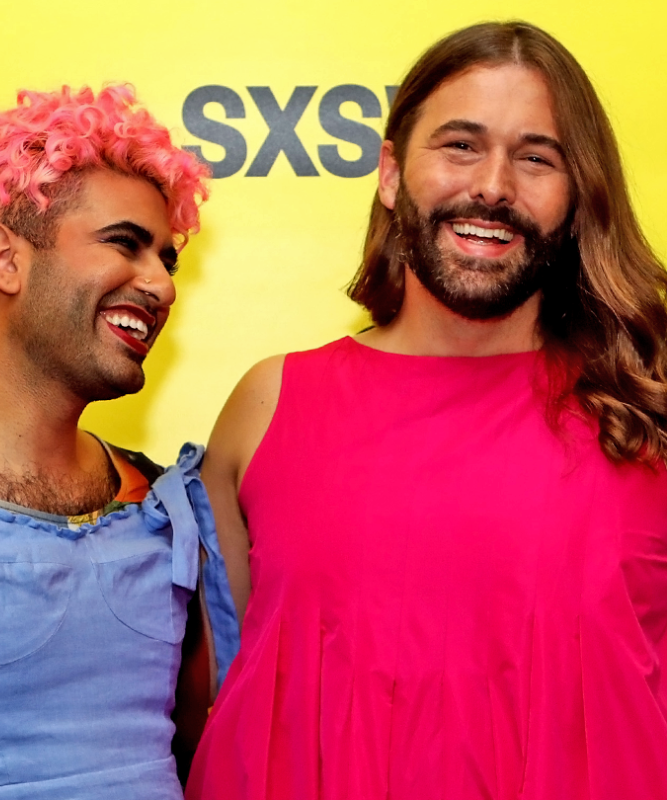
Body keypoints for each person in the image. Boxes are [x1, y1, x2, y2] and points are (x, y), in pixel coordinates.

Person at [187, 20, 667, 800]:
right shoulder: (268, 407)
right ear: (388, 174)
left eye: (536, 158)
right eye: (460, 145)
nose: (494, 186)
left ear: (578, 199)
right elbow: (219, 692)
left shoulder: (649, 415)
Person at [0, 85, 237, 799]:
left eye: (168, 259)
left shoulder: (165, 505)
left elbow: (202, 746)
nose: (160, 284)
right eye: (125, 245)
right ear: (5, 259)